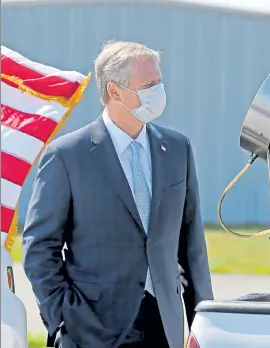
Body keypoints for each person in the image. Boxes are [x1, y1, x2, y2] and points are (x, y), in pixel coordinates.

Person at [22, 40, 214, 348]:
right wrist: (62, 319)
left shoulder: (177, 149)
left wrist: (204, 325)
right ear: (115, 91)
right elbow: (39, 248)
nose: (158, 92)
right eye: (149, 85)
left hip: (163, 325)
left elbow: (191, 248)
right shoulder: (67, 156)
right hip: (92, 328)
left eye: (159, 82)